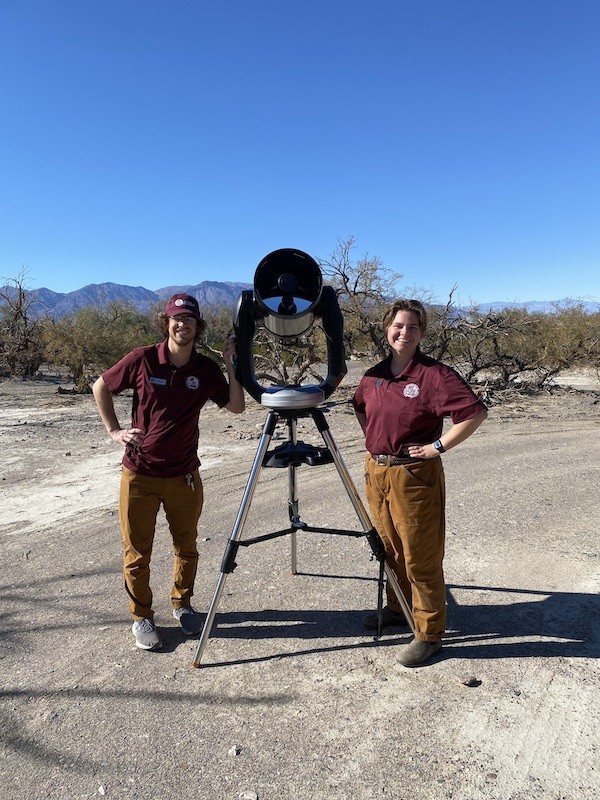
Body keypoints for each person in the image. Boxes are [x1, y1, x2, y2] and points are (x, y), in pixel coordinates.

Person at [92, 293, 245, 650]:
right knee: (136, 553)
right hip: (139, 474)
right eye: (177, 319)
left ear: (197, 326)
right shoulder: (143, 359)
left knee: (186, 546)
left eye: (189, 320)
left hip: (184, 476)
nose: (182, 325)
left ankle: (183, 604)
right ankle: (142, 616)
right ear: (167, 323)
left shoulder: (205, 370)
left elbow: (236, 407)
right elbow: (101, 385)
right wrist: (114, 430)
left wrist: (229, 364)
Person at [352, 299, 487, 667]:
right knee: (390, 548)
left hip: (413, 476)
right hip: (377, 472)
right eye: (398, 325)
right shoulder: (374, 375)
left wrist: (437, 446)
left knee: (421, 556)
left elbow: (473, 413)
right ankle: (398, 608)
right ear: (386, 328)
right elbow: (360, 407)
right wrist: (377, 445)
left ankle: (429, 634)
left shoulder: (434, 375)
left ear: (422, 333)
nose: (404, 333)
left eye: (412, 327)